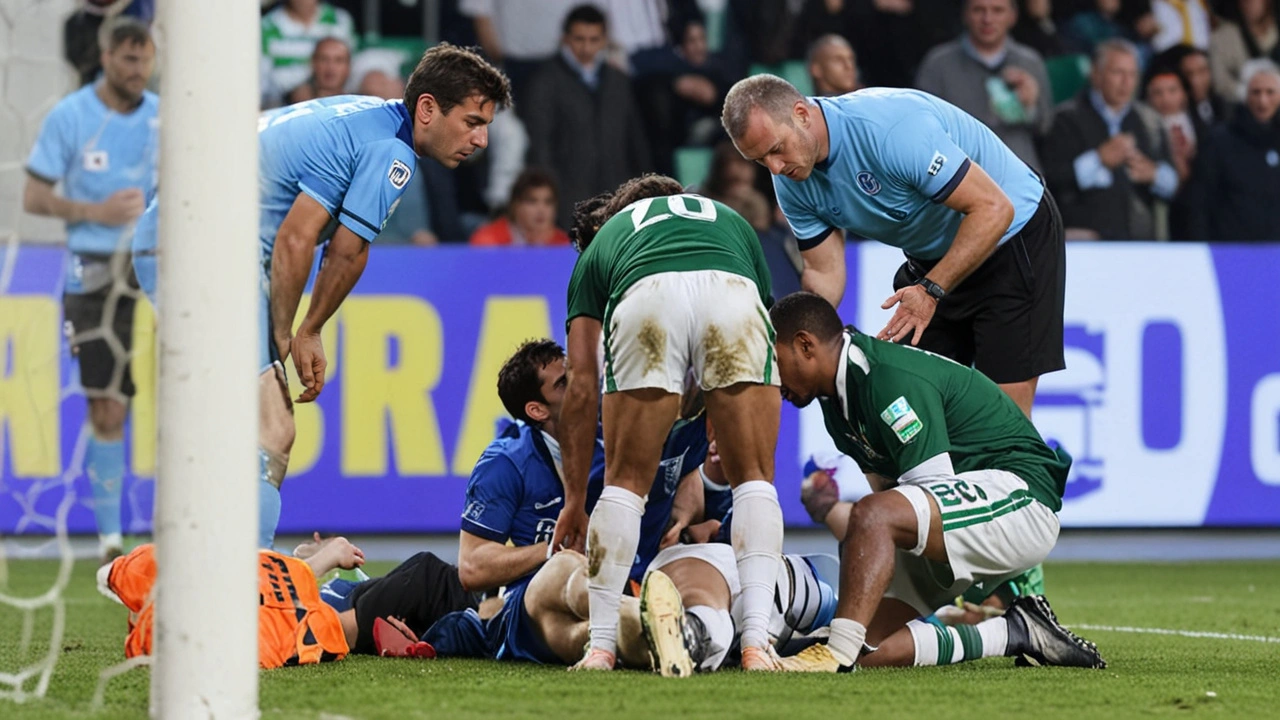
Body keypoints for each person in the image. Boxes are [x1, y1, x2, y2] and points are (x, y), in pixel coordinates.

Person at [133, 44, 511, 550]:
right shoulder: (392, 152)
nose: (481, 139)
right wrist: (295, 333)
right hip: (205, 257)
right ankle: (253, 598)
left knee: (230, 429)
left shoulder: (365, 117)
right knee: (273, 430)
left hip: (175, 238)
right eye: (471, 121)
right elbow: (310, 243)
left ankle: (190, 575)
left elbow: (338, 248)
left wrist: (300, 328)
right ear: (427, 108)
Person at [764, 292, 1105, 673]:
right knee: (868, 649)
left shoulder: (885, 379)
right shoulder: (837, 404)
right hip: (969, 504)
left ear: (805, 345)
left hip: (1022, 496)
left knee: (849, 617)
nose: (772, 380)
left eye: (775, 362)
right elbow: (895, 504)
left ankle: (836, 657)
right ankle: (1013, 633)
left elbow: (918, 498)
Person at [721, 74, 1065, 417]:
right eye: (760, 160)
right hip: (933, 260)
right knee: (909, 409)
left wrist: (930, 289)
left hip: (1011, 235)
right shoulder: (790, 178)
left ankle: (1014, 469)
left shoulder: (890, 130)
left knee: (1002, 418)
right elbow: (824, 272)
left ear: (801, 113)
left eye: (776, 149)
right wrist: (788, 342)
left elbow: (994, 209)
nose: (775, 169)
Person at [552, 174, 784, 672]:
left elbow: (580, 383)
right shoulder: (732, 220)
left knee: (625, 486)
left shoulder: (605, 242)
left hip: (646, 296)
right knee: (754, 483)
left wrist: (574, 499)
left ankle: (601, 647)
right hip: (733, 290)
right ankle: (756, 645)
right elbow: (758, 309)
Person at [23, 17, 158, 564]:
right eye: (129, 59)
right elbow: (33, 196)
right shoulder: (71, 115)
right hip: (94, 269)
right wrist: (92, 212)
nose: (138, 69)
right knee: (107, 402)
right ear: (105, 58)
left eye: (145, 58)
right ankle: (110, 541)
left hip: (154, 265)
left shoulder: (163, 119)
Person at [425, 542, 838, 676]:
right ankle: (688, 634)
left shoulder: (476, 628)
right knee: (578, 597)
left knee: (582, 610)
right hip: (541, 628)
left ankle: (689, 633)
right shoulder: (471, 628)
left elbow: (477, 615)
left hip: (536, 630)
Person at [523, 4, 652, 230]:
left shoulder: (618, 82)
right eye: (579, 39)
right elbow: (540, 147)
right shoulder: (545, 82)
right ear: (565, 38)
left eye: (594, 39)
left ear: (605, 40)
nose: (586, 47)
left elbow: (635, 142)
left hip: (617, 202)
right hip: (567, 205)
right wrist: (551, 202)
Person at [1041, 39, 1178, 241]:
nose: (1126, 82)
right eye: (1118, 73)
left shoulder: (1149, 121)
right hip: (1086, 245)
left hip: (1141, 245)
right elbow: (1051, 179)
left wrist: (1154, 174)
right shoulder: (1066, 119)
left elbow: (1173, 184)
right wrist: (1098, 160)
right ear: (1096, 75)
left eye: (1132, 74)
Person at [915, 0, 1054, 171]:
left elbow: (1046, 127)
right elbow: (922, 131)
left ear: (1013, 16)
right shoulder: (937, 64)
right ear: (965, 15)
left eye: (998, 10)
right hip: (959, 179)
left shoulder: (1030, 62)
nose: (987, 19)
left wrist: (1030, 106)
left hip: (1021, 174)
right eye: (978, 10)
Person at [1190, 60, 1280, 241]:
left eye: (1270, 92)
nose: (1263, 100)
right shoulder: (1219, 141)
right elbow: (1200, 202)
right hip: (1231, 253)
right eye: (1256, 92)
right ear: (1244, 95)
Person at [469, 169, 572, 246]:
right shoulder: (488, 241)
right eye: (532, 201)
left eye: (548, 202)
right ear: (515, 205)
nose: (541, 210)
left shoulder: (564, 245)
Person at [285, 37, 352, 104]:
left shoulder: (358, 104)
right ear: (313, 63)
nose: (331, 67)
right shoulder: (292, 102)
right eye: (323, 59)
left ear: (348, 66)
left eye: (338, 60)